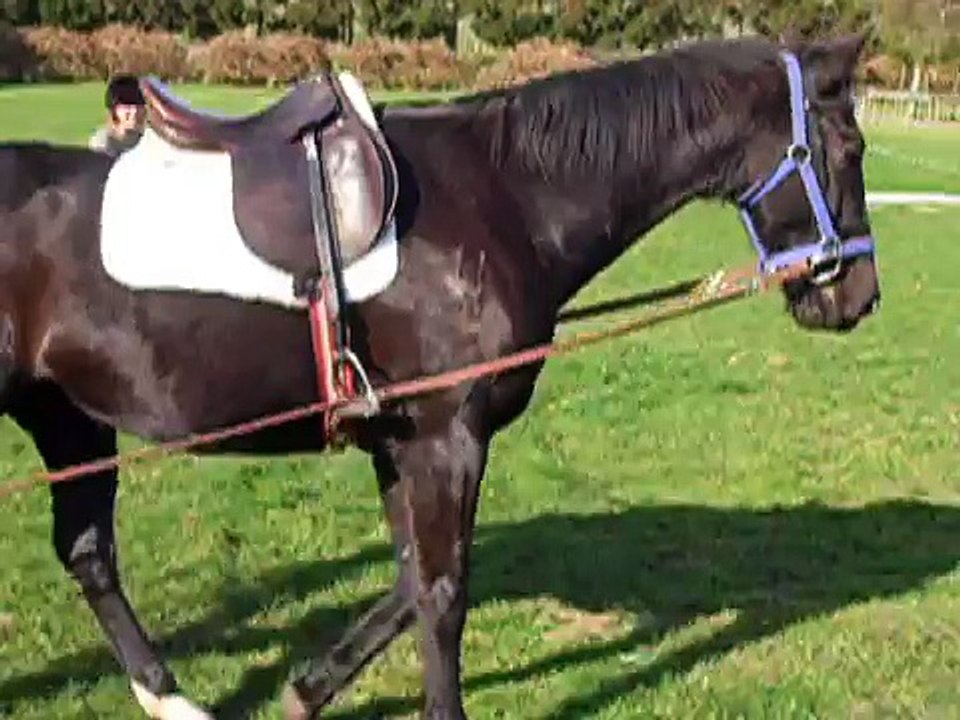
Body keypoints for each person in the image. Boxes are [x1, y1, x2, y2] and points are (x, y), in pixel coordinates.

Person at [89, 75, 146, 157]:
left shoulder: (149, 142)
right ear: (114, 109)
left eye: (139, 105)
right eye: (127, 106)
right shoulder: (102, 143)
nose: (135, 111)